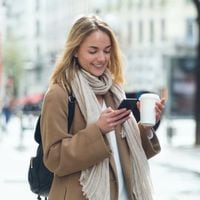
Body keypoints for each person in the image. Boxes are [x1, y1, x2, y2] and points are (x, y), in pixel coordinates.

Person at [40, 15, 165, 200]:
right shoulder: (59, 94)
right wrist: (98, 130)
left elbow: (129, 154)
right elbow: (53, 158)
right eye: (93, 51)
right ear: (75, 51)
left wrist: (146, 127)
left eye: (107, 51)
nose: (101, 58)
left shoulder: (113, 91)